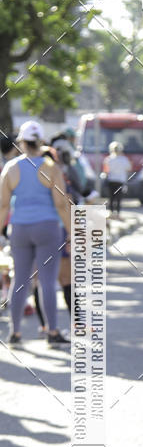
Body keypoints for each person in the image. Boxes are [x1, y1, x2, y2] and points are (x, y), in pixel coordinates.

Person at [0, 120, 71, 344]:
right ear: (41, 141)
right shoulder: (51, 167)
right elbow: (61, 204)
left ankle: (15, 333)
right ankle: (52, 332)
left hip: (20, 229)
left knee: (20, 279)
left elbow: (3, 205)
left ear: (21, 142)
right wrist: (71, 232)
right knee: (47, 281)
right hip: (47, 228)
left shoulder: (11, 168)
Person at [103, 141, 131, 217]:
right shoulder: (124, 159)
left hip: (111, 180)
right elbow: (129, 168)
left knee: (111, 197)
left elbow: (106, 170)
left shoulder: (108, 159)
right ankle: (118, 213)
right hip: (120, 181)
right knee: (119, 198)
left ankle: (111, 212)